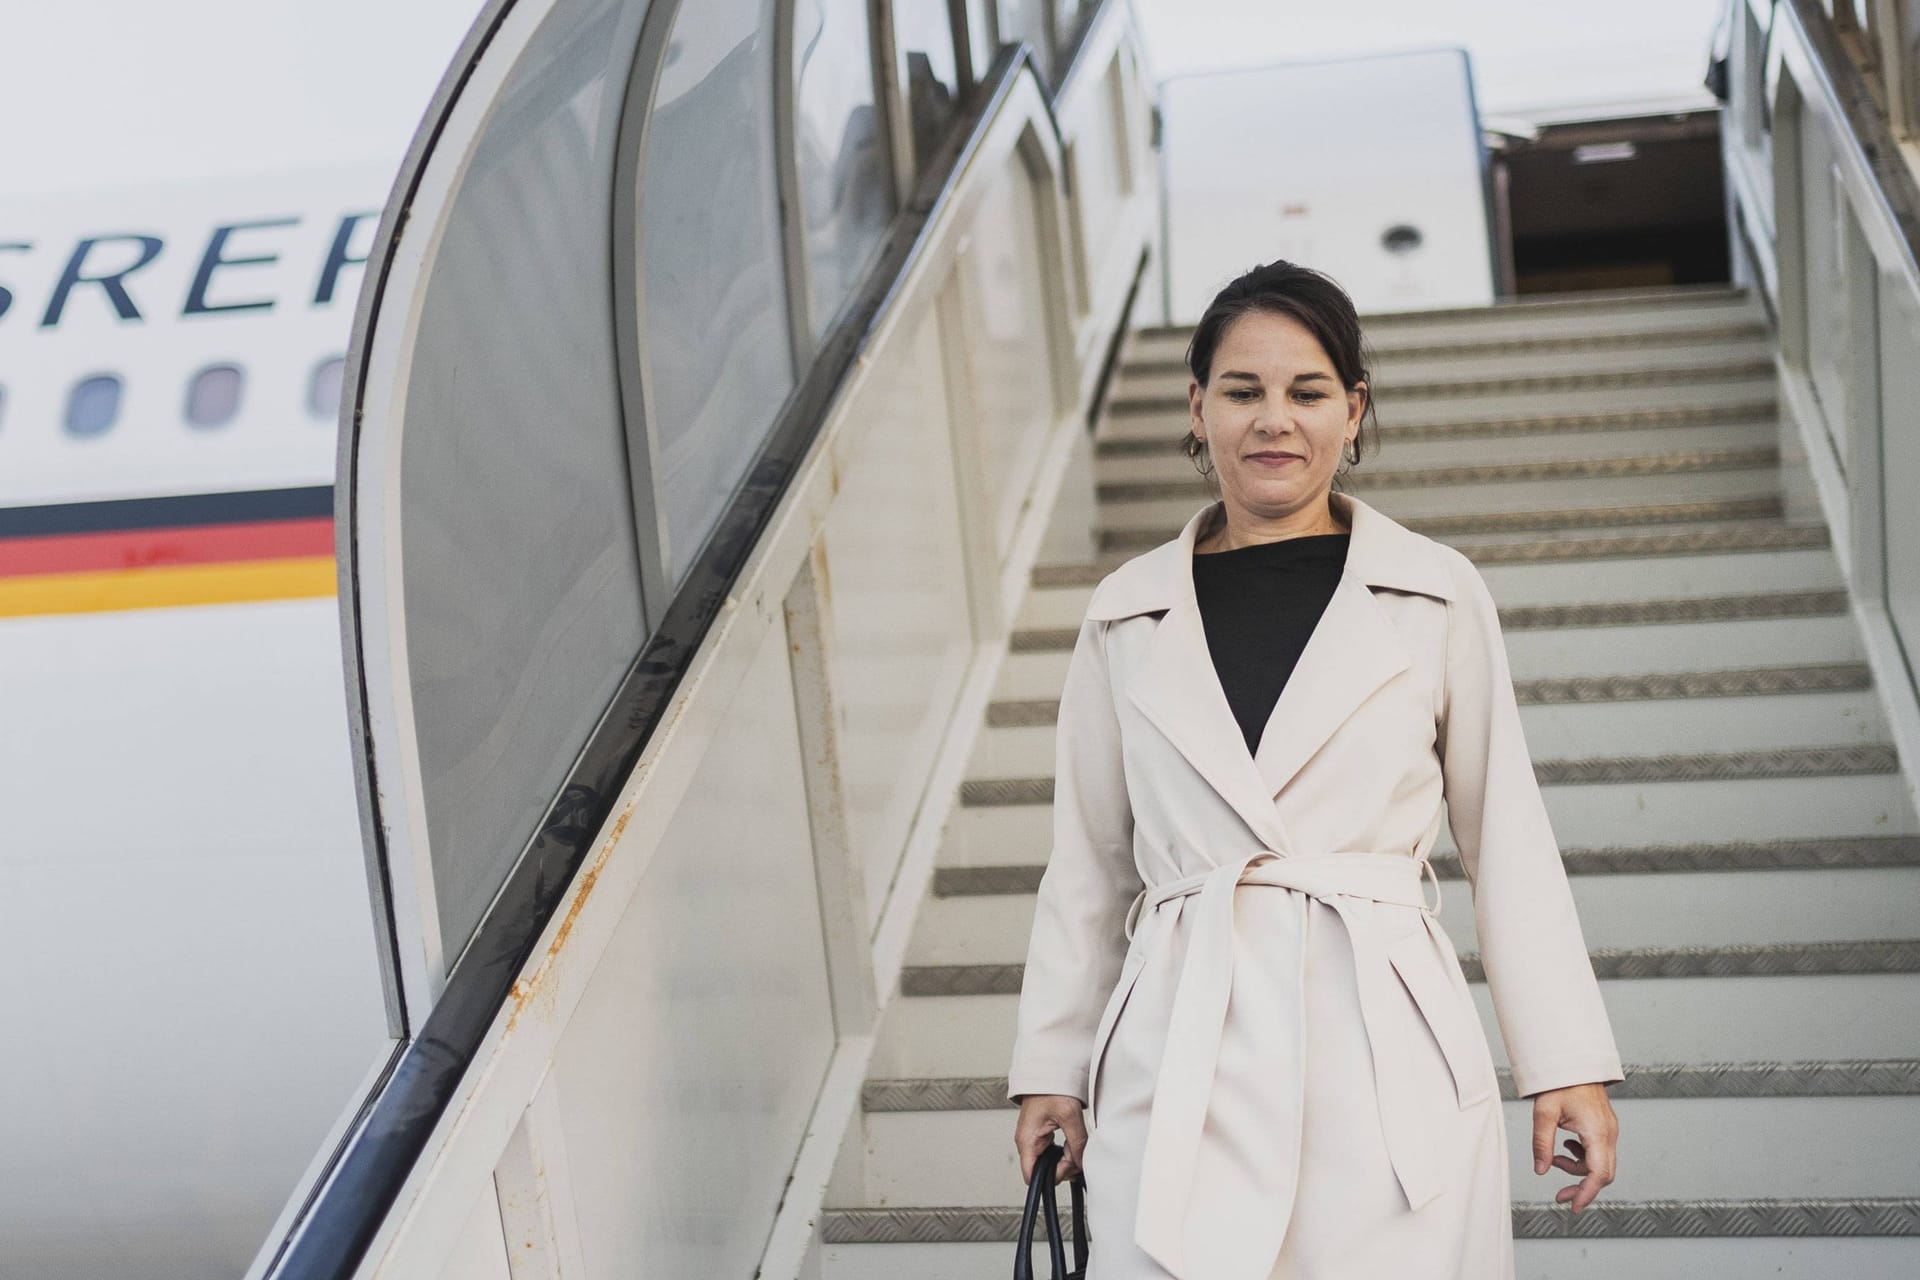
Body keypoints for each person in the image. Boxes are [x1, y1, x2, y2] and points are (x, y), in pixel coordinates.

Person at [1006, 260, 1624, 1279]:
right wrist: (1052, 1068)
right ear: (1197, 408)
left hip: (1383, 1049)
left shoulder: (1432, 592)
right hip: (1178, 1046)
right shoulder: (1126, 609)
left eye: (1307, 391)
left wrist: (1565, 1064)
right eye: (1242, 391)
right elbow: (1087, 860)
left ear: (1354, 409)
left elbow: (1506, 835)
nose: (1273, 420)